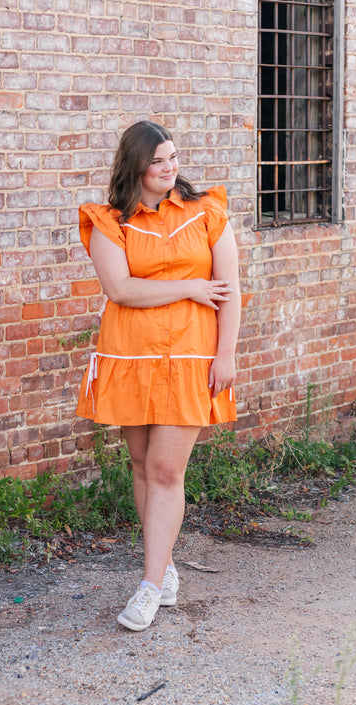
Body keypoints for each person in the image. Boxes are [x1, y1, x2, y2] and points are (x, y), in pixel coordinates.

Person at [76, 120, 241, 631]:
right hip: (132, 357)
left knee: (168, 470)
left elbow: (230, 289)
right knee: (143, 467)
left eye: (173, 157)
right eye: (158, 161)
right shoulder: (110, 222)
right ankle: (163, 568)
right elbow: (121, 290)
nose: (170, 168)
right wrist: (190, 286)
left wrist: (226, 354)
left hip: (192, 358)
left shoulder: (207, 212)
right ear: (136, 167)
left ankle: (149, 588)